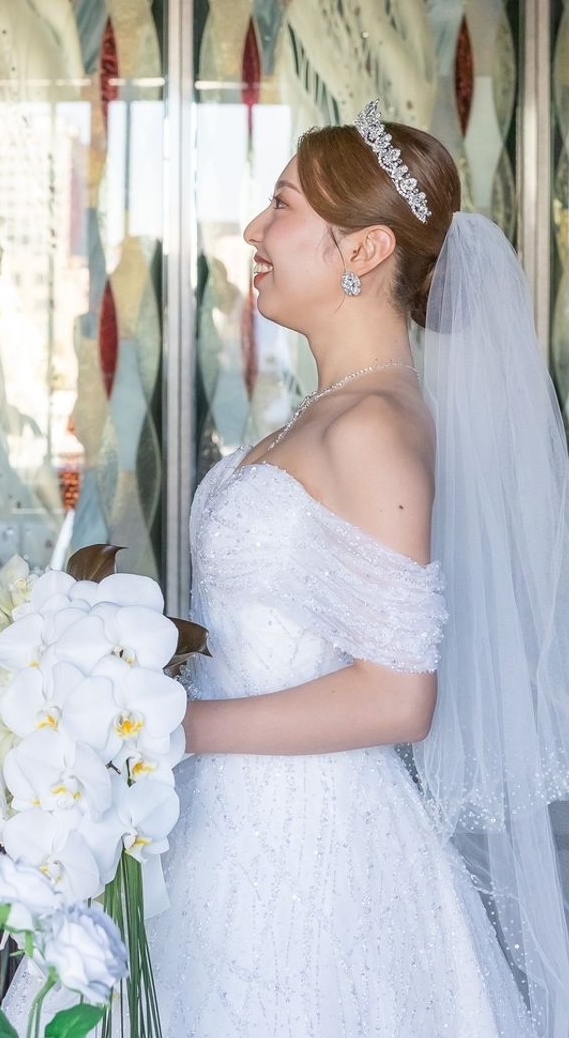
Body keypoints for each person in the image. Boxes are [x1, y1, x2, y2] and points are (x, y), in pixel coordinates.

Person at [145, 103, 569, 1035]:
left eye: (282, 205)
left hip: (311, 857)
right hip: (234, 820)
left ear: (365, 250)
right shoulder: (326, 412)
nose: (254, 231)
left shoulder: (373, 426)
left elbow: (396, 696)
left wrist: (173, 724)